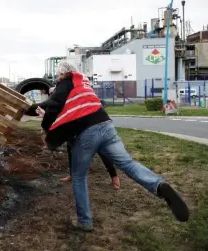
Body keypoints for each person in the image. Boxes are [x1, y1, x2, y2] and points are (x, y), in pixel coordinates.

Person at [30, 61, 189, 232]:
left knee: (78, 176)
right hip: (106, 125)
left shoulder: (65, 82)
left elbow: (55, 106)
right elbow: (70, 110)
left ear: (62, 74)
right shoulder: (82, 84)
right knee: (128, 163)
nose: (57, 79)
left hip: (86, 132)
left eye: (58, 76)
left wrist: (46, 128)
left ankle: (85, 221)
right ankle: (159, 185)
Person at [26, 89, 120, 190]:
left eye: (53, 92)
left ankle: (114, 177)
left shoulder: (71, 101)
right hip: (73, 132)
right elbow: (56, 121)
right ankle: (72, 175)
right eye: (50, 94)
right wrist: (45, 115)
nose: (52, 95)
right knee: (70, 150)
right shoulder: (56, 105)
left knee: (102, 152)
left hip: (89, 129)